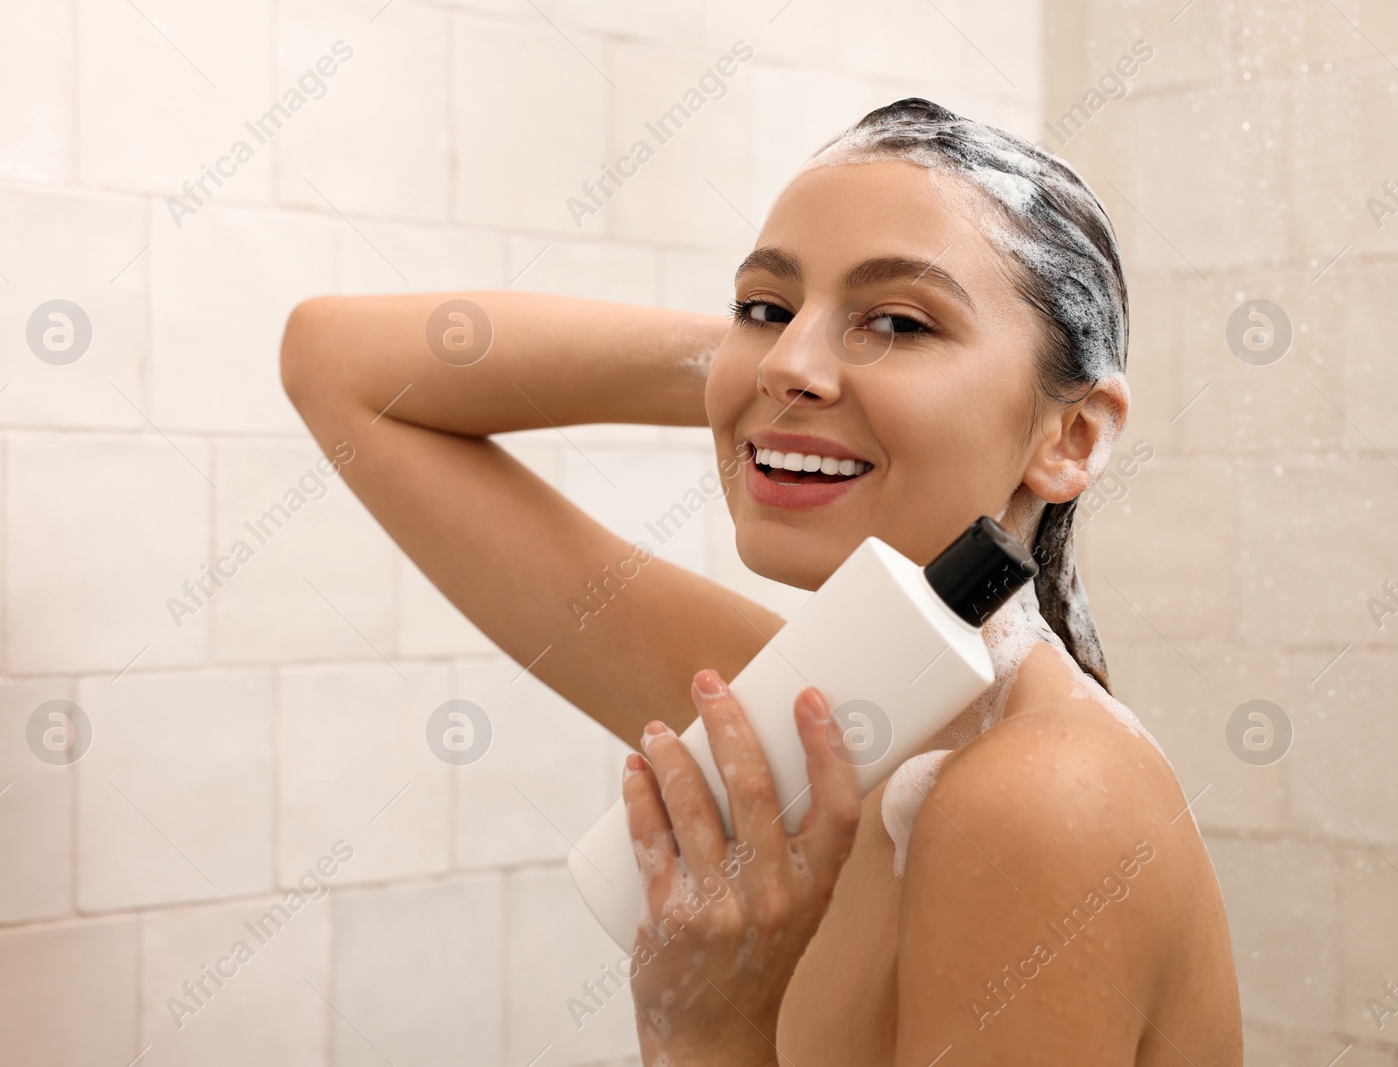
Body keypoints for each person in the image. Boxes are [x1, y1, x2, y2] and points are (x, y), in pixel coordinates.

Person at [279, 97, 1242, 1066]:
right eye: (764, 307)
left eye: (900, 321)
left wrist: (706, 1031)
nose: (788, 356)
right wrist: (758, 385)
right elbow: (340, 365)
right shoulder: (811, 716)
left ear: (1071, 434)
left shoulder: (1039, 800)